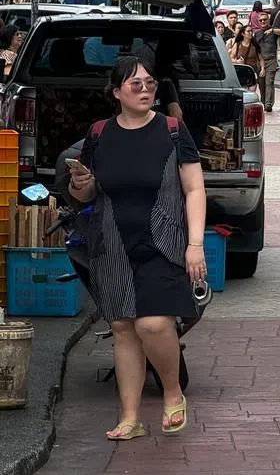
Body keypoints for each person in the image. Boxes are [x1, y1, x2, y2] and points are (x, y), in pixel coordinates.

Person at [66, 56, 207, 441]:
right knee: (123, 328)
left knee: (153, 323)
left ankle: (173, 392)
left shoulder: (172, 130)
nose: (145, 89)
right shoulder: (99, 134)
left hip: (164, 241)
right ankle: (130, 418)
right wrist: (80, 184)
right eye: (135, 84)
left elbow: (194, 189)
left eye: (150, 83)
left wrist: (195, 244)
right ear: (116, 92)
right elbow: (88, 194)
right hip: (111, 243)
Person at [253, 10, 279, 111]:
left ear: (268, 20)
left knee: (269, 82)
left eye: (265, 20)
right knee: (261, 84)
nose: (263, 22)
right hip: (260, 62)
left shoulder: (273, 31)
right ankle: (263, 102)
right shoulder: (257, 34)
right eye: (260, 20)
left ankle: (269, 104)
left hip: (271, 60)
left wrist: (272, 30)